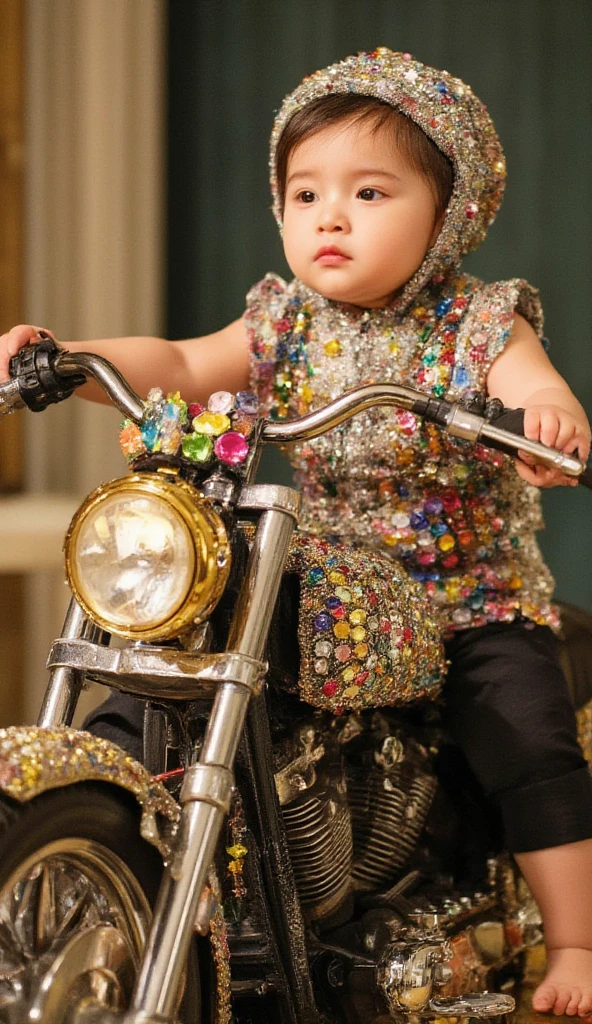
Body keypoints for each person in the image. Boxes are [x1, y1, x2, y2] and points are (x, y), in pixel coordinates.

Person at [1, 48, 591, 1016]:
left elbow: (532, 385)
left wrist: (545, 418)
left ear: (448, 216)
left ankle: (575, 935)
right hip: (323, 577)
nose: (329, 215)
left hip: (463, 599)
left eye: (368, 191)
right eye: (304, 191)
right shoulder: (285, 322)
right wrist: (76, 356)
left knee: (524, 738)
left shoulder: (477, 324)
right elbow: (185, 362)